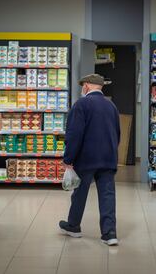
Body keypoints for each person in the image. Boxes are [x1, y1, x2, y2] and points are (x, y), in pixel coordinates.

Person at [59, 74, 120, 246]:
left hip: (86, 159)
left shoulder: (81, 104)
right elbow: (117, 133)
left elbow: (74, 134)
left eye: (82, 86)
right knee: (107, 195)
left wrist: (68, 158)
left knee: (79, 192)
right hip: (108, 158)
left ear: (86, 86)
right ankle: (109, 234)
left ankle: (73, 226)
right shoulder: (111, 106)